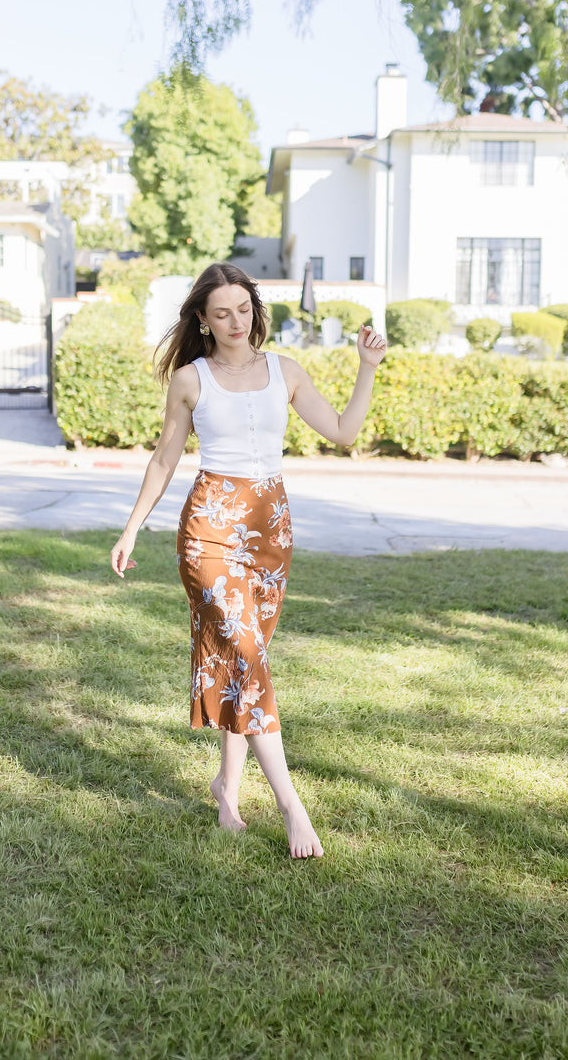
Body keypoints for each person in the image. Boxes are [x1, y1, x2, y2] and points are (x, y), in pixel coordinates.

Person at [110, 262, 386, 859]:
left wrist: (366, 369)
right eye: (221, 313)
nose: (236, 322)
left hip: (272, 527)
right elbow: (163, 461)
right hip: (211, 526)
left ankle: (227, 789)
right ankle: (292, 806)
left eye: (243, 309)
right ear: (203, 323)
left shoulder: (284, 371)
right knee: (245, 654)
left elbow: (343, 430)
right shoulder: (190, 379)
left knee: (247, 661)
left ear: (255, 311)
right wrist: (132, 529)